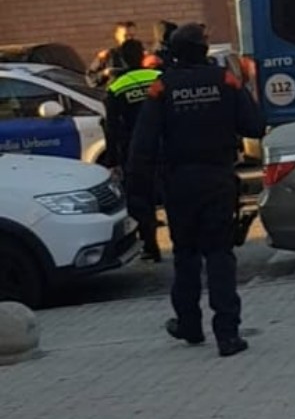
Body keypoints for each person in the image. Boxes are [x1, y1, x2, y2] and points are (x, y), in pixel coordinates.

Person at [128, 22, 264, 357]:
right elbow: (255, 126)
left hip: (179, 183)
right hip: (218, 179)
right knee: (219, 254)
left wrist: (138, 195)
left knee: (186, 255)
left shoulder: (163, 88)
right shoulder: (225, 80)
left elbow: (142, 145)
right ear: (202, 50)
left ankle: (189, 324)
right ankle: (228, 334)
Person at [102, 38, 163, 262]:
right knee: (173, 196)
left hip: (136, 152)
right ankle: (186, 243)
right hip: (165, 146)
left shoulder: (117, 86)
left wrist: (113, 159)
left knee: (141, 201)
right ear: (142, 55)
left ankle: (151, 246)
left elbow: (112, 127)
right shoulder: (158, 78)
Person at [88, 21, 140, 87]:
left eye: (132, 36)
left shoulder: (144, 54)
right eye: (126, 36)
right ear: (117, 35)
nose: (129, 38)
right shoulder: (108, 55)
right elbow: (91, 78)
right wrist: (105, 73)